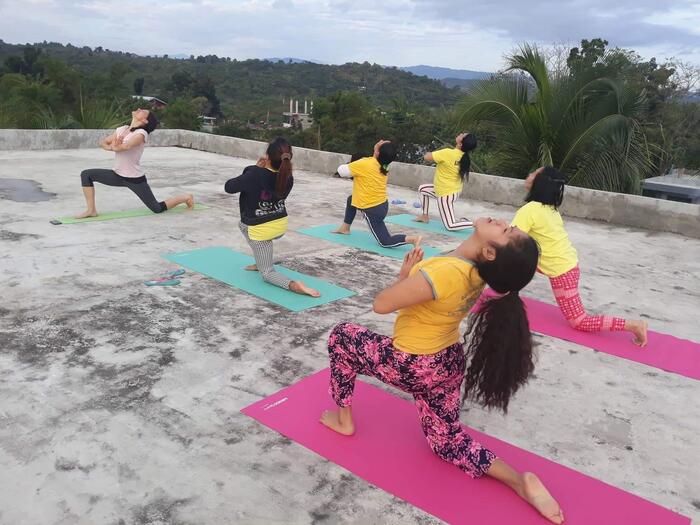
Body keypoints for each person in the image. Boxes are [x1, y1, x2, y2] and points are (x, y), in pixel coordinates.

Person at [321, 217, 564, 524]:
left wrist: (405, 278)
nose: (502, 221)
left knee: (342, 336)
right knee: (447, 441)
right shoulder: (477, 272)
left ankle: (344, 420)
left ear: (490, 252)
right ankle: (518, 481)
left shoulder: (444, 272)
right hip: (447, 363)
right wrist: (412, 277)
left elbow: (381, 304)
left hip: (413, 364)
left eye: (505, 230)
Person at [512, 166, 647, 346]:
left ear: (539, 183)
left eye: (533, 173)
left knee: (579, 321)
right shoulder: (548, 208)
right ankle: (508, 296)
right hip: (566, 265)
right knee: (517, 266)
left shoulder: (530, 210)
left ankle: (633, 325)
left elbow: (511, 239)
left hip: (562, 271)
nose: (528, 175)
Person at [225, 137, 320, 297]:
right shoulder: (288, 177)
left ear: (267, 157)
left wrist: (254, 168)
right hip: (280, 224)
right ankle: (260, 260)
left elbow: (229, 187)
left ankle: (295, 286)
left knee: (267, 273)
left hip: (261, 230)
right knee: (242, 225)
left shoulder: (254, 174)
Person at [76, 108, 193, 218]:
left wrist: (115, 147)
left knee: (156, 208)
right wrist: (113, 147)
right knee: (86, 175)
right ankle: (91, 210)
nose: (139, 109)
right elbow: (104, 142)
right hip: (117, 175)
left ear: (145, 120)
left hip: (134, 179)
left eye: (142, 111)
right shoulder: (122, 129)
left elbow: (126, 146)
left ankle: (185, 197)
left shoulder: (141, 134)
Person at [333, 140, 422, 248]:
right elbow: (373, 163)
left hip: (372, 210)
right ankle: (345, 228)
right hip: (382, 205)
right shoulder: (384, 165)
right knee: (351, 200)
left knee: (385, 242)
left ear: (378, 153)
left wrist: (355, 163)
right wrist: (377, 151)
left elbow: (341, 171)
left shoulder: (365, 163)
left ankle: (412, 239)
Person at [415, 132, 477, 230]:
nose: (460, 134)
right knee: (423, 189)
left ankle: (476, 224)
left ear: (461, 144)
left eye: (462, 135)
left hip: (445, 194)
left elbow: (427, 157)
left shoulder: (448, 153)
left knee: (450, 225)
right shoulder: (464, 156)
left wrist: (429, 153)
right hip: (450, 190)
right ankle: (424, 216)